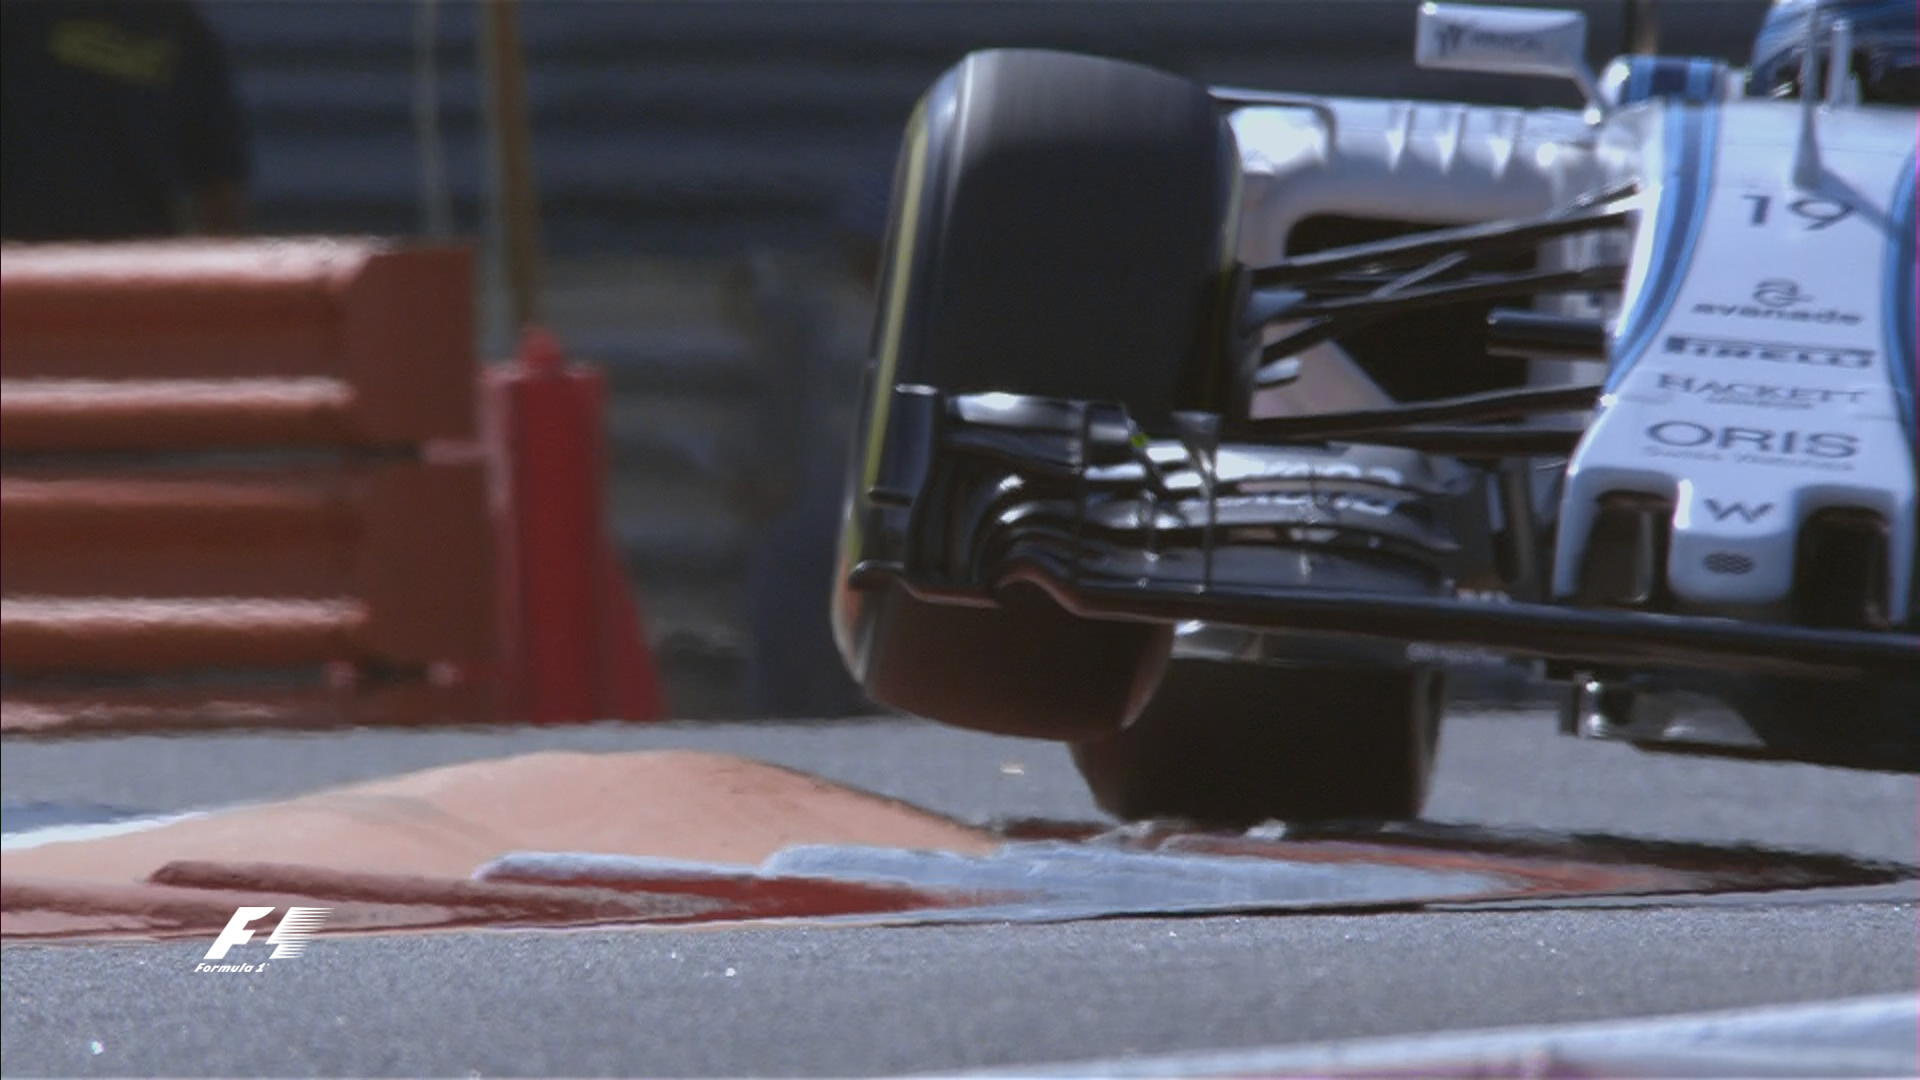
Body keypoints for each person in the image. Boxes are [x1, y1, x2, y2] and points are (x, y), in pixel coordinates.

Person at [2, 0, 250, 241]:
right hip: (24, 248)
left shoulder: (184, 32)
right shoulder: (18, 20)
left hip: (137, 251)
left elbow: (218, 180)